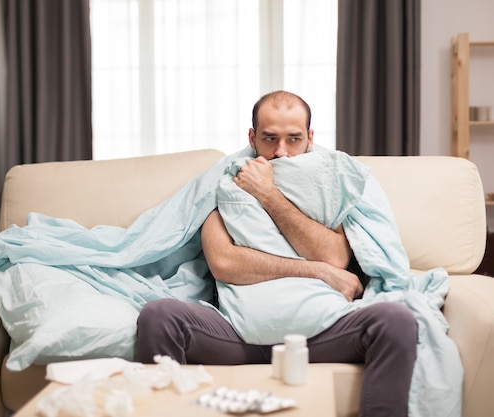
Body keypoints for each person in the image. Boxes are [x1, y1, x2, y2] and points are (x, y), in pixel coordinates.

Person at [135, 91, 418, 417]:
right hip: (236, 334)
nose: (281, 153)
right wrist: (318, 271)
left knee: (396, 320)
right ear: (252, 137)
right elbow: (224, 263)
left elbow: (334, 258)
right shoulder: (226, 178)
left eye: (293, 139)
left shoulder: (329, 180)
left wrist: (268, 194)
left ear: (310, 138)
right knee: (158, 316)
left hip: (323, 332)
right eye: (270, 139)